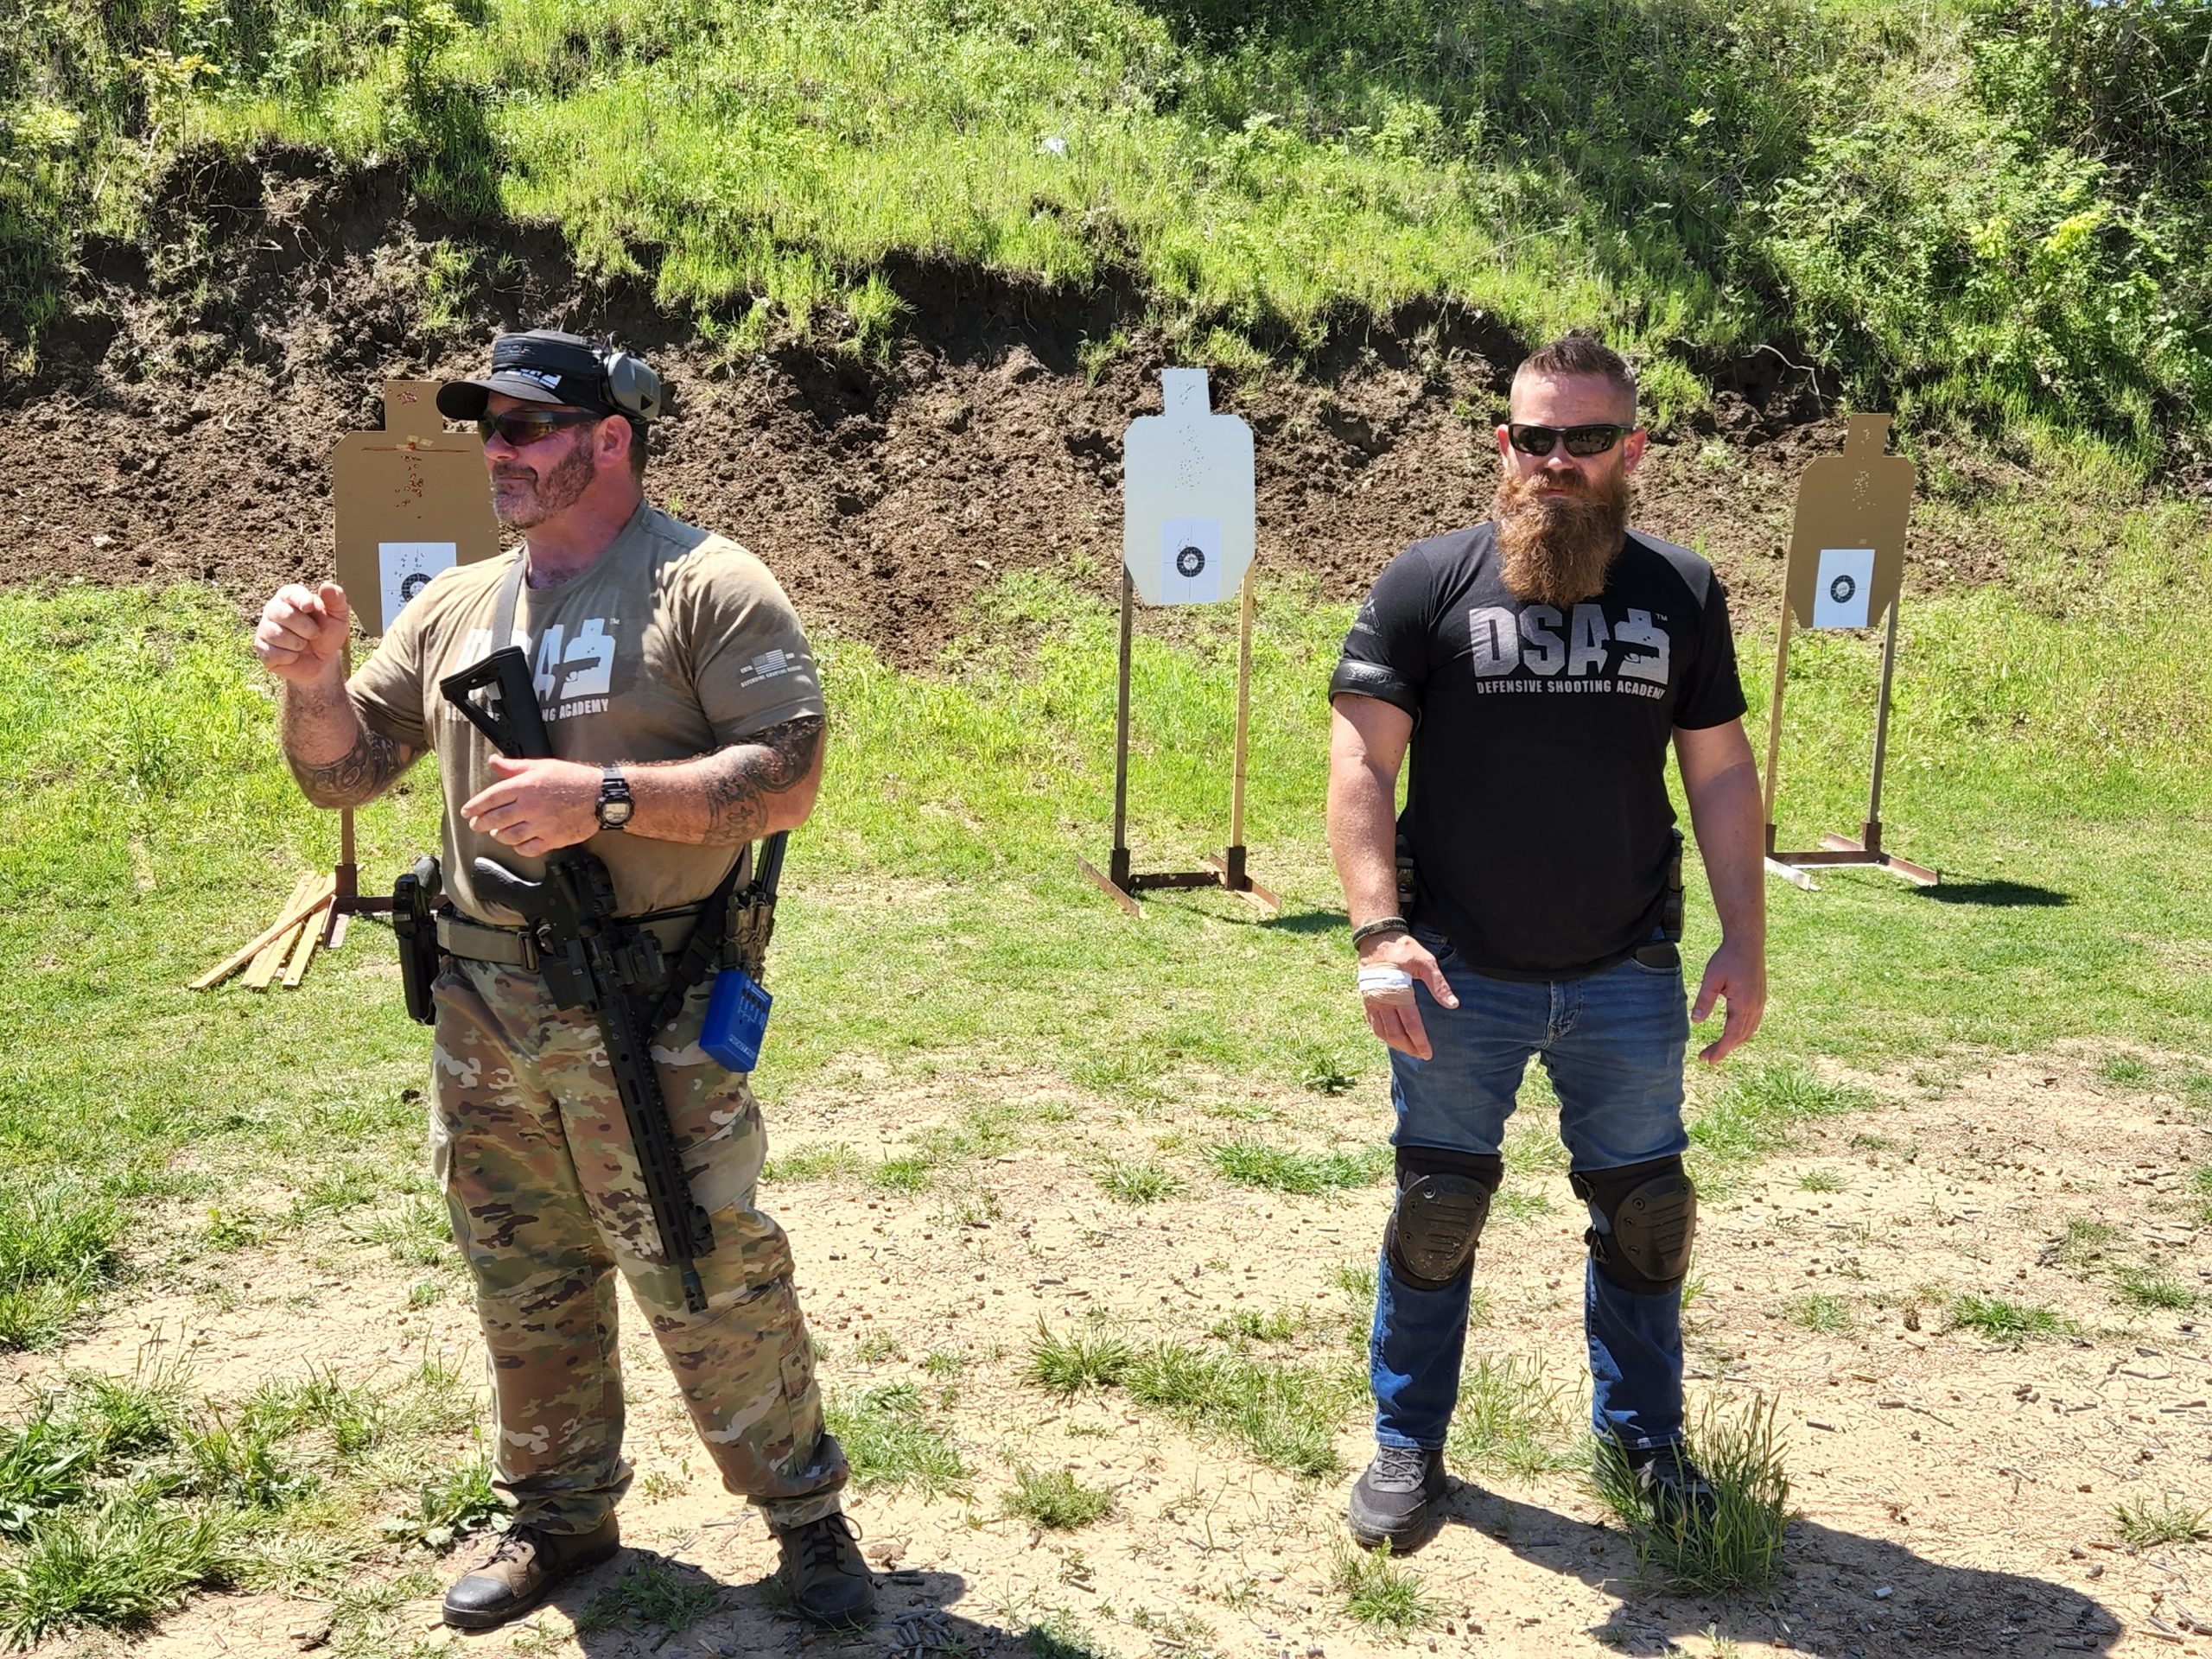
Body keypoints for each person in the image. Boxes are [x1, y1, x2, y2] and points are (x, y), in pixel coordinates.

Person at [252, 331, 875, 1628]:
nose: (499, 451)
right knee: (523, 1268)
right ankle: (559, 1516)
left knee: (704, 1260)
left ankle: (806, 1517)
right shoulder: (454, 605)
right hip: (484, 1006)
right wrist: (313, 685)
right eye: (488, 428)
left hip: (649, 997)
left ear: (610, 439)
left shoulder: (706, 585)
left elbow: (790, 776)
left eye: (528, 427)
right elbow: (344, 772)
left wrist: (607, 797)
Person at [1325, 335, 1767, 1553]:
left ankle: (1645, 1442)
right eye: (1537, 437)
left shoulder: (1683, 590)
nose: (1558, 461)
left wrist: (1745, 940)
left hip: (1626, 970)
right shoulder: (1428, 581)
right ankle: (1408, 1444)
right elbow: (1361, 762)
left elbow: (1721, 773)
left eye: (1587, 438)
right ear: (1504, 444)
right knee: (1437, 1213)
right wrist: (1377, 931)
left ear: (1633, 449)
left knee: (1648, 1216)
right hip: (1457, 971)